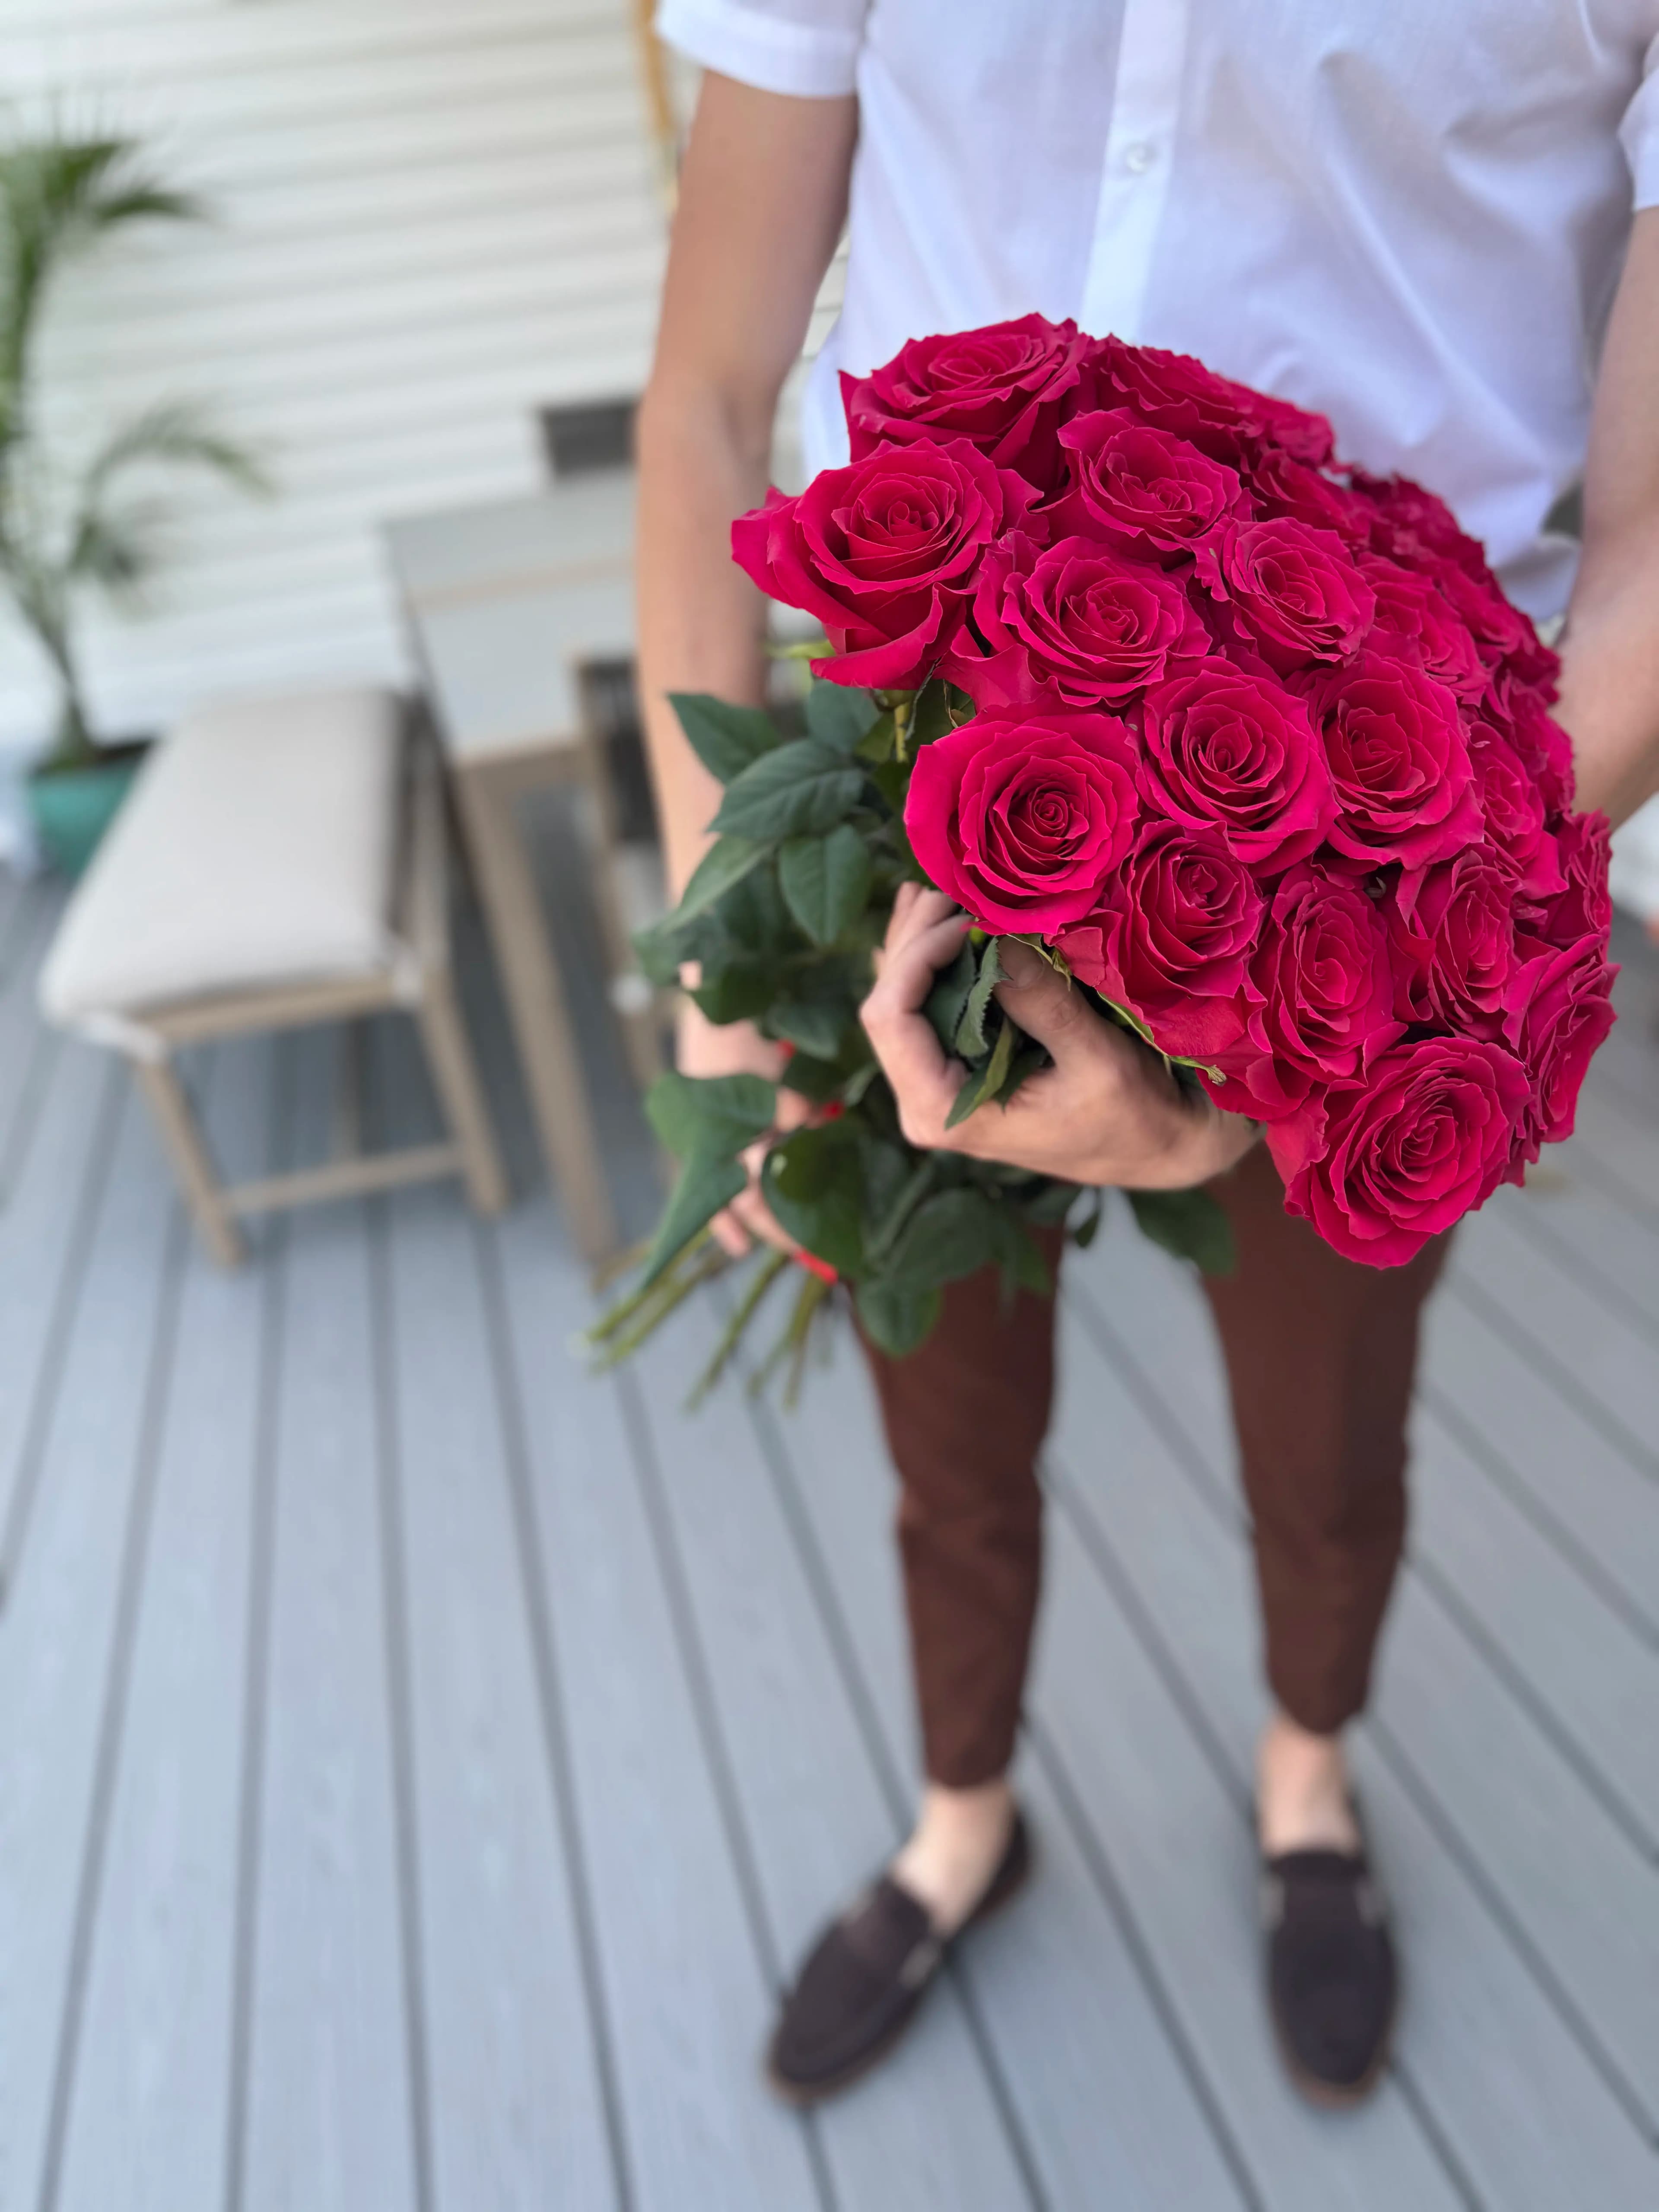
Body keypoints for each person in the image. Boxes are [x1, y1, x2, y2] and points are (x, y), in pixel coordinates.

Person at [635, 0, 1659, 2107]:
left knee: (1329, 1422)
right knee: (944, 1410)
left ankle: (1308, 1781)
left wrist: (1345, 975)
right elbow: (714, 396)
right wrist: (723, 974)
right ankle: (963, 1815)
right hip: (902, 786)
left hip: (1374, 860)